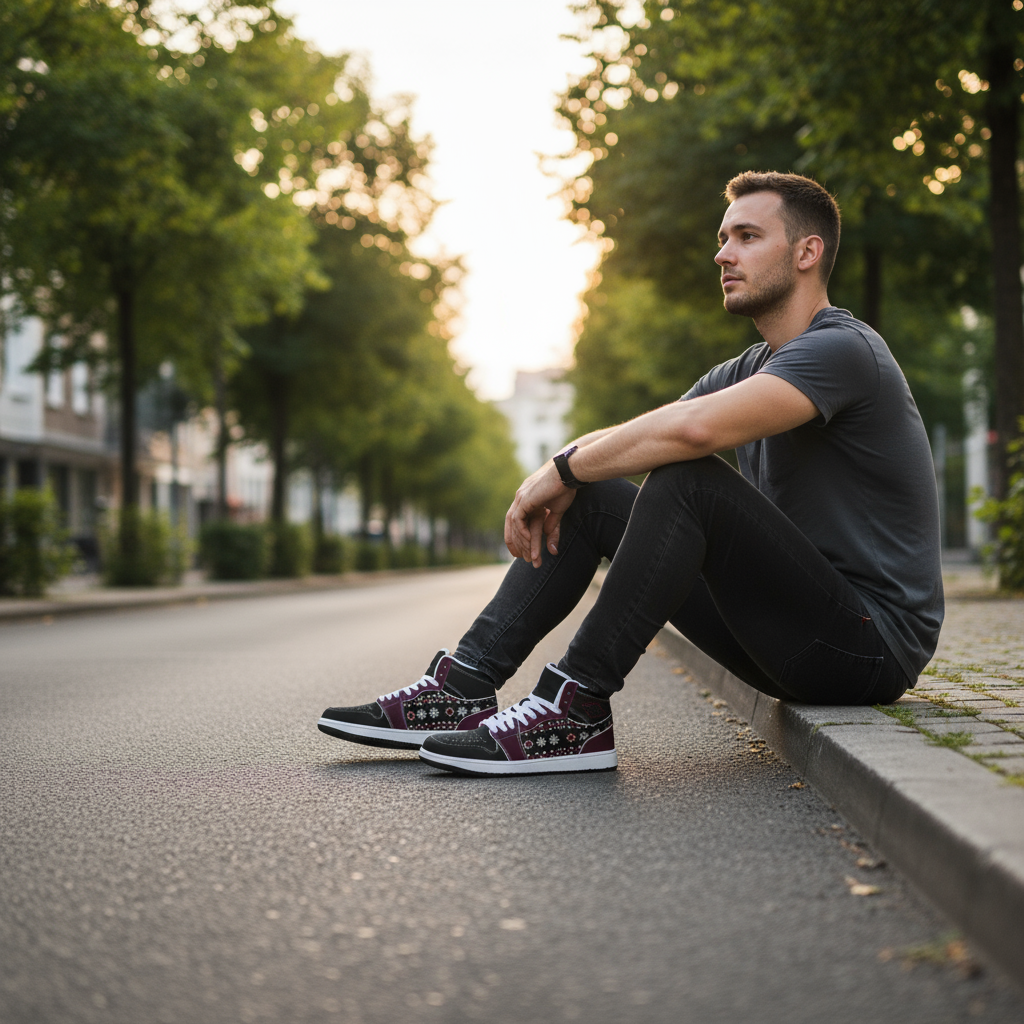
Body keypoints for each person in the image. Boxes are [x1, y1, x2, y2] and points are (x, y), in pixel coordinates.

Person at [318, 171, 943, 776]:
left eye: (747, 237)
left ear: (808, 252)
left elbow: (689, 433)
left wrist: (563, 469)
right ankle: (464, 684)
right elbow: (647, 430)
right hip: (789, 632)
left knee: (687, 480)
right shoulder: (751, 367)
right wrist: (559, 473)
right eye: (723, 238)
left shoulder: (844, 349)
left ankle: (576, 709)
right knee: (595, 493)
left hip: (867, 649)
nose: (723, 254)